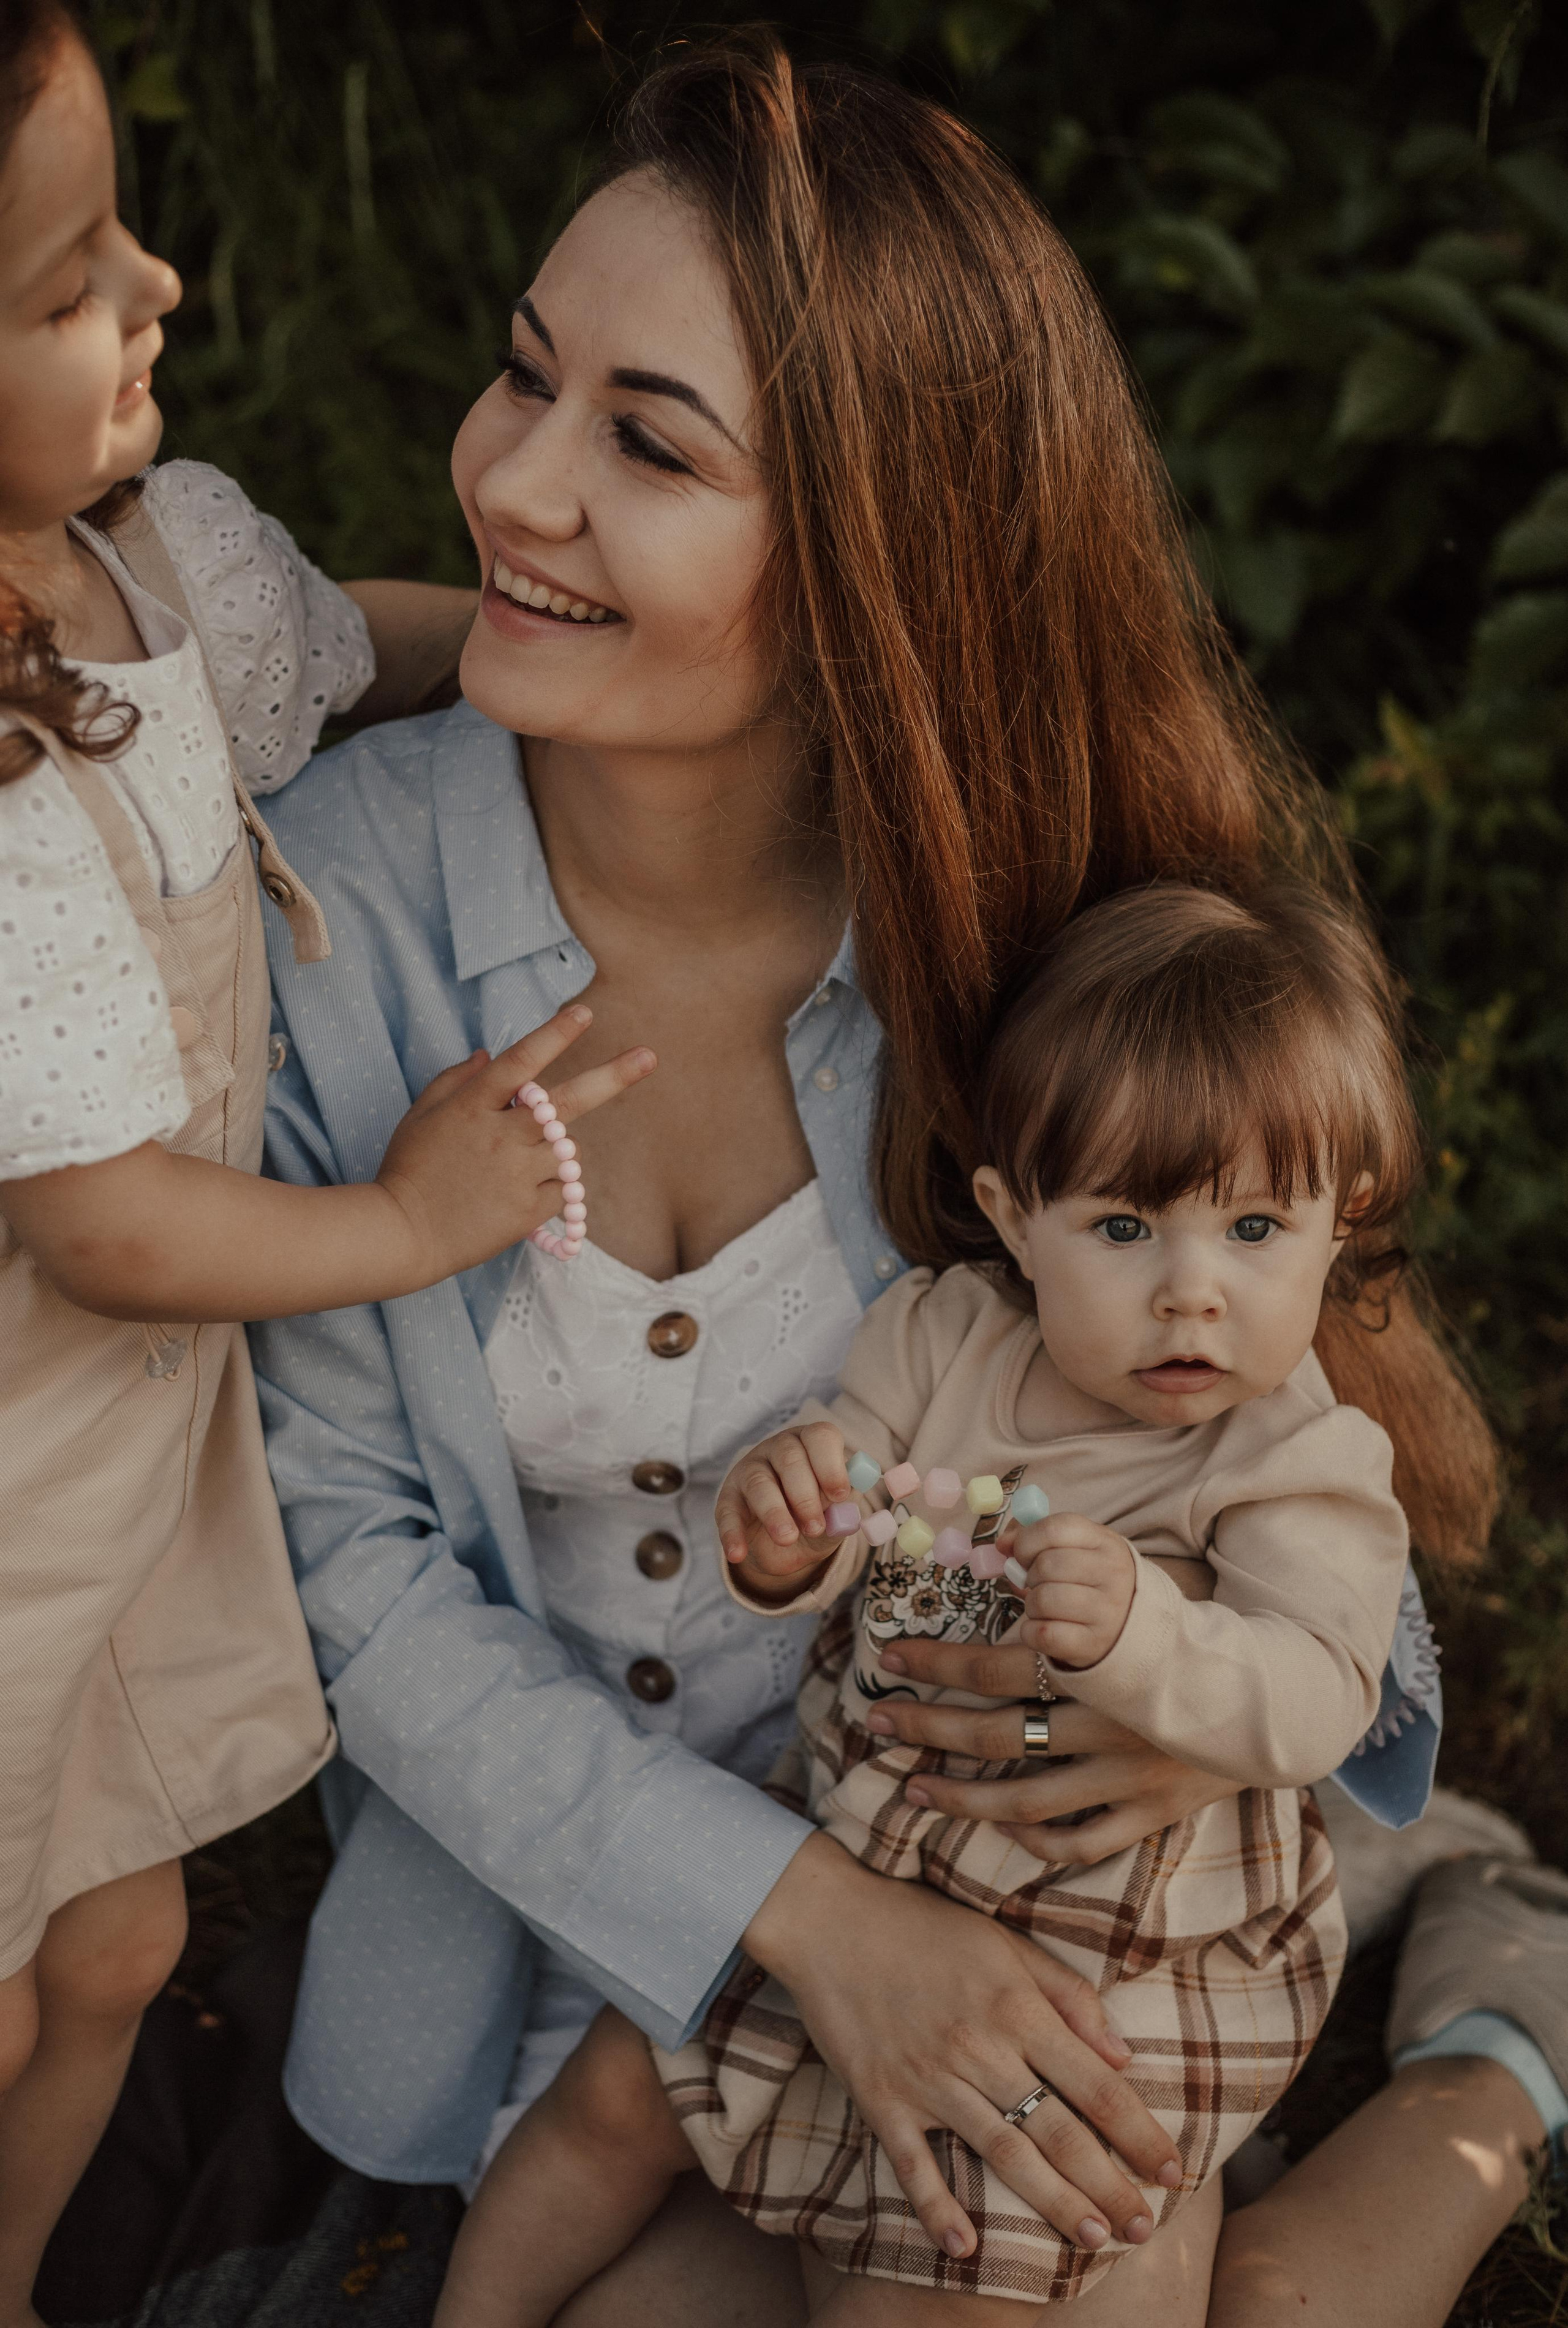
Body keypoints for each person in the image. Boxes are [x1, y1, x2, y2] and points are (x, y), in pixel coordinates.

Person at [249, 32, 1557, 2328]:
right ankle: (1502, 1999)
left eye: (648, 444)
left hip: (1044, 1908)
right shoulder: (335, 912)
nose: (518, 483)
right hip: (605, 1965)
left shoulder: (1034, 920)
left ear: (875, 550)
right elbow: (352, 1577)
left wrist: (1192, 1718)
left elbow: (1294, 1392)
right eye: (523, 378)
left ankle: (1490, 2050)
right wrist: (818, 1922)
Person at [0, 9, 655, 2321]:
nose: (159, 284)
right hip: (20, 1455)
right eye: (70, 278)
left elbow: (346, 658)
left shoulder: (155, 558)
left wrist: (542, 647)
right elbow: (96, 1219)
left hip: (111, 1456)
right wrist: (399, 1225)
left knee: (120, 1934)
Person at [437, 880, 1419, 2321]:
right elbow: (846, 1528)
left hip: (1104, 1937)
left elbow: (1320, 1686)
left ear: (1341, 1227)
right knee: (610, 2093)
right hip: (866, 1841)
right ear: (1013, 1220)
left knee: (969, 2237)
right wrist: (789, 1530)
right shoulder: (939, 1338)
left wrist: (1149, 1632)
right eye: (1126, 1227)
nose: (1191, 1294)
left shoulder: (1289, 1458)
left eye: (1256, 1226)